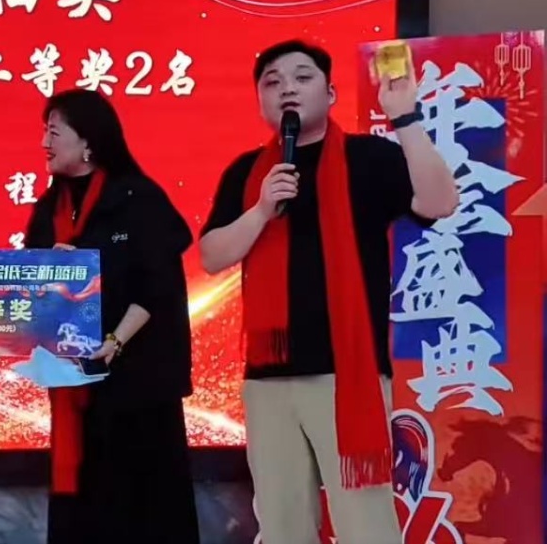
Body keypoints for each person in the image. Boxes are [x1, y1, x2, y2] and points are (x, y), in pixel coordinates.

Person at [199, 40, 459, 543]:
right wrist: (261, 210)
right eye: (273, 82)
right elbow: (212, 255)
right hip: (269, 380)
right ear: (261, 102)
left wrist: (405, 117)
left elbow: (440, 202)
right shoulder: (248, 173)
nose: (287, 89)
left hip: (347, 375)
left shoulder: (368, 158)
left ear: (331, 93)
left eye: (302, 77)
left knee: (365, 524)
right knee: (282, 525)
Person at [23, 89, 199, 544]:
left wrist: (116, 340)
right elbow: (28, 292)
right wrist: (48, 274)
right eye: (44, 132)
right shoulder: (49, 210)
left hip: (139, 388)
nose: (44, 143)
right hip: (77, 391)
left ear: (88, 141)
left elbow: (156, 285)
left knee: (145, 513)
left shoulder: (137, 197)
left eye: (53, 132)